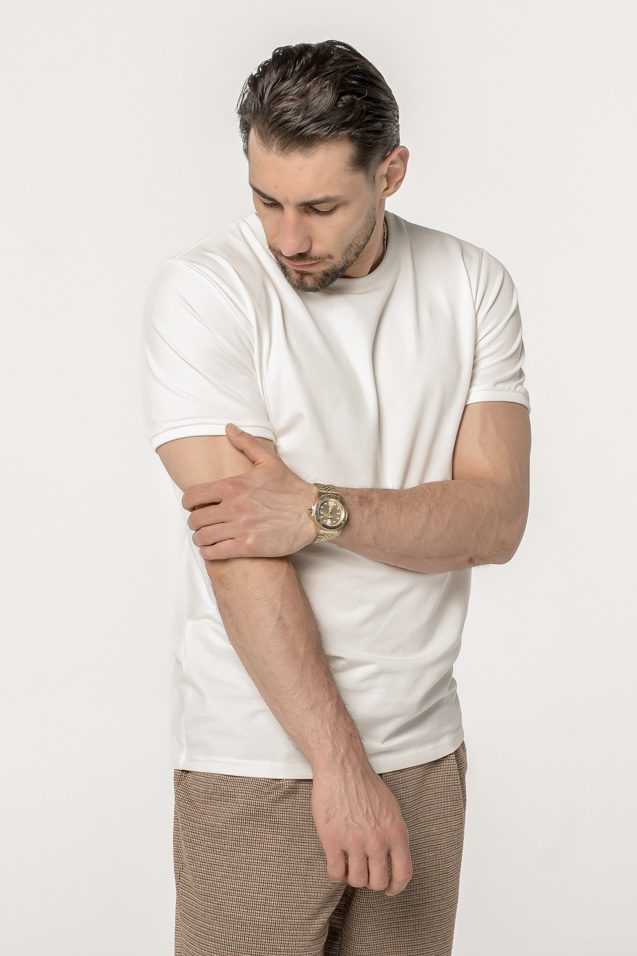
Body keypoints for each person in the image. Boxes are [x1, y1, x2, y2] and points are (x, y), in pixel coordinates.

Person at [140, 38, 531, 956]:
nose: (288, 237)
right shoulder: (207, 292)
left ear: (389, 173)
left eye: (320, 207)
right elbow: (240, 551)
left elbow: (496, 521)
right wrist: (339, 765)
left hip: (423, 748)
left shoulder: (470, 284)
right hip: (257, 758)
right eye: (265, 200)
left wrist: (318, 509)